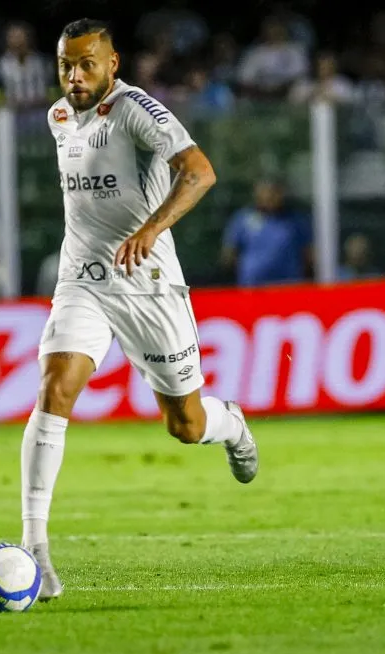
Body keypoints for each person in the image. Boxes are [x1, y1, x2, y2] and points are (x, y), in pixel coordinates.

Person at [20, 18, 259, 601]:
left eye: (87, 64)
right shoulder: (58, 119)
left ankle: (229, 422)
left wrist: (151, 229)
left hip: (148, 284)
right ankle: (35, 549)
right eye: (65, 66)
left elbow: (200, 172)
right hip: (83, 278)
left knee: (186, 424)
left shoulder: (136, 110)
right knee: (55, 390)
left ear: (112, 63)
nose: (75, 76)